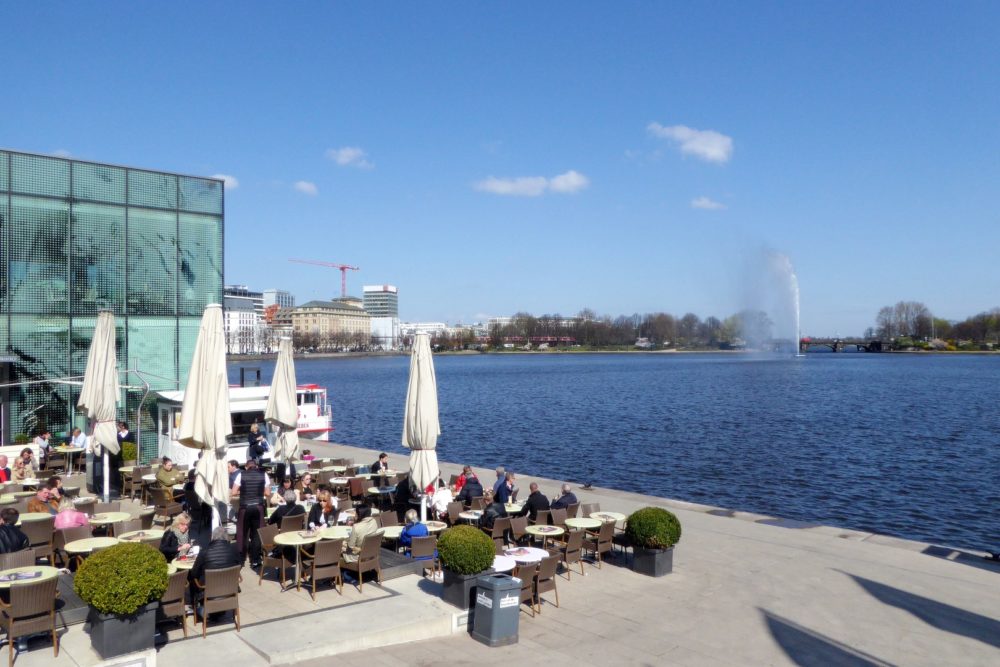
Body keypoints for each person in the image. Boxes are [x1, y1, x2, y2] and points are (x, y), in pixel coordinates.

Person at [230, 458, 269, 566]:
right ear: (256, 466)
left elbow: (233, 492)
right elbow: (268, 493)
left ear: (246, 467)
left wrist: (243, 492)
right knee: (257, 533)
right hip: (258, 506)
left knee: (243, 533)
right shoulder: (264, 475)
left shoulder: (241, 475)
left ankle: (241, 559)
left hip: (245, 507)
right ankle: (256, 559)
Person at [189, 526, 240, 599]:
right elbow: (238, 565)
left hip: (208, 590)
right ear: (227, 537)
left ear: (213, 537)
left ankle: (192, 605)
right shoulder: (234, 549)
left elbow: (194, 573)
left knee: (192, 579)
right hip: (229, 588)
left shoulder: (204, 552)